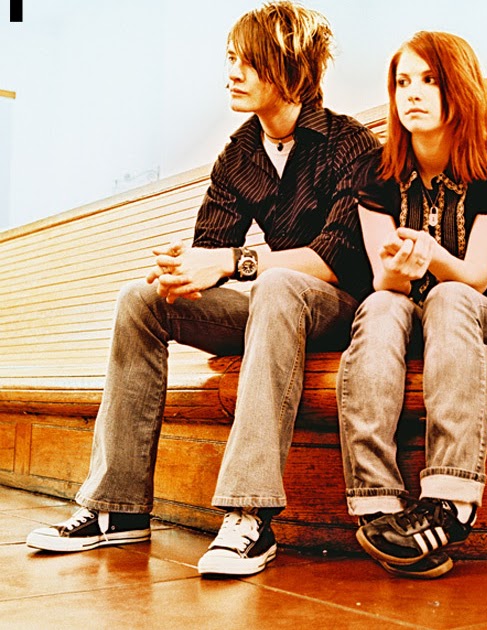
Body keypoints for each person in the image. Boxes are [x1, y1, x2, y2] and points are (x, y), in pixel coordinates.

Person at [26, 2, 379, 578]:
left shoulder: (350, 144)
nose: (231, 73)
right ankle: (117, 507)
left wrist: (232, 262)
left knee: (280, 285)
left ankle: (249, 514)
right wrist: (183, 268)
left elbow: (335, 259)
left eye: (247, 61)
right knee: (141, 301)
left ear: (289, 69)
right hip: (270, 309)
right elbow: (210, 248)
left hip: (340, 311)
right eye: (230, 59)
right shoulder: (240, 153)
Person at [337, 31, 487, 580]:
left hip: (483, 313)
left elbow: (477, 276)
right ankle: (376, 500)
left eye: (429, 81)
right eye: (402, 82)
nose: (412, 94)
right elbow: (383, 281)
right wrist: (398, 264)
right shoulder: (376, 170)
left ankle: (451, 499)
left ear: (458, 89)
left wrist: (432, 253)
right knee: (380, 308)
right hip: (405, 312)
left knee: (448, 294)